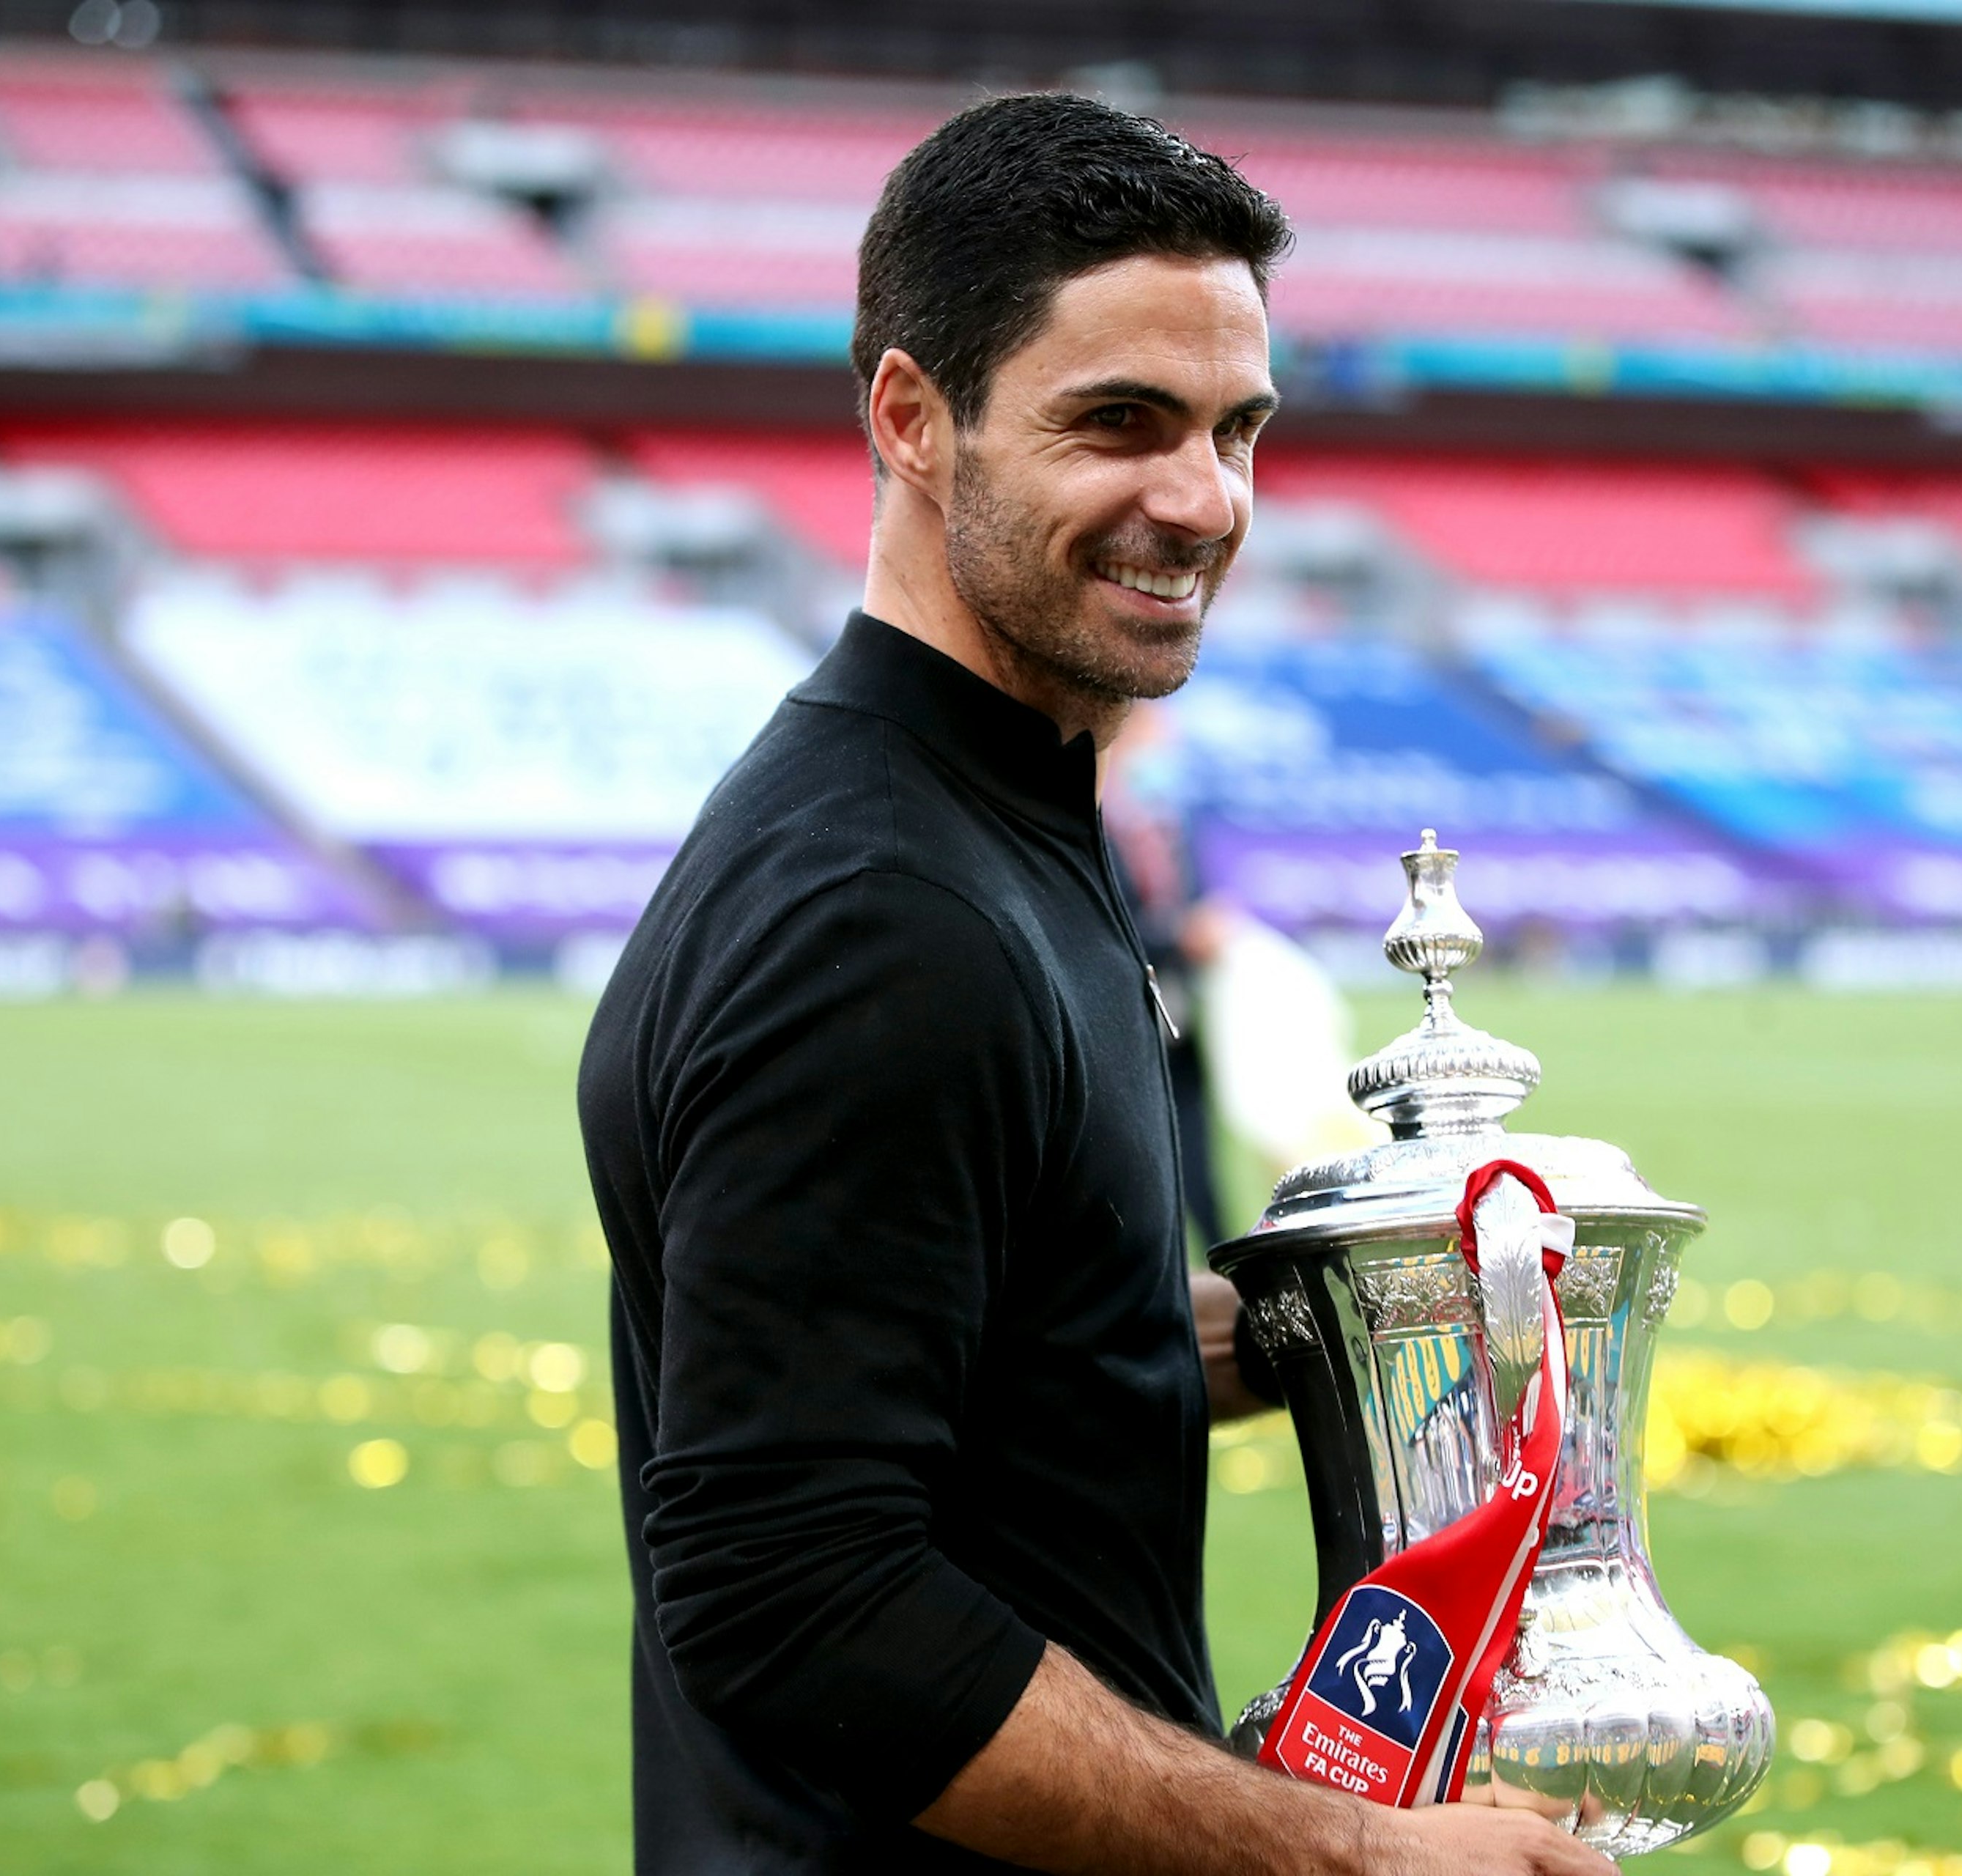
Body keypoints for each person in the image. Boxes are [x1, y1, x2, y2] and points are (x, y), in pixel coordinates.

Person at [578, 92, 1613, 1876]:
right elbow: (795, 1586)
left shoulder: (996, 816)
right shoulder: (882, 905)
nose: (1204, 498)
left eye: (1237, 427)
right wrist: (1349, 1853)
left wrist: (1376, 1301)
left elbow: (1001, 1352)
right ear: (913, 418)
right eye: (1119, 422)